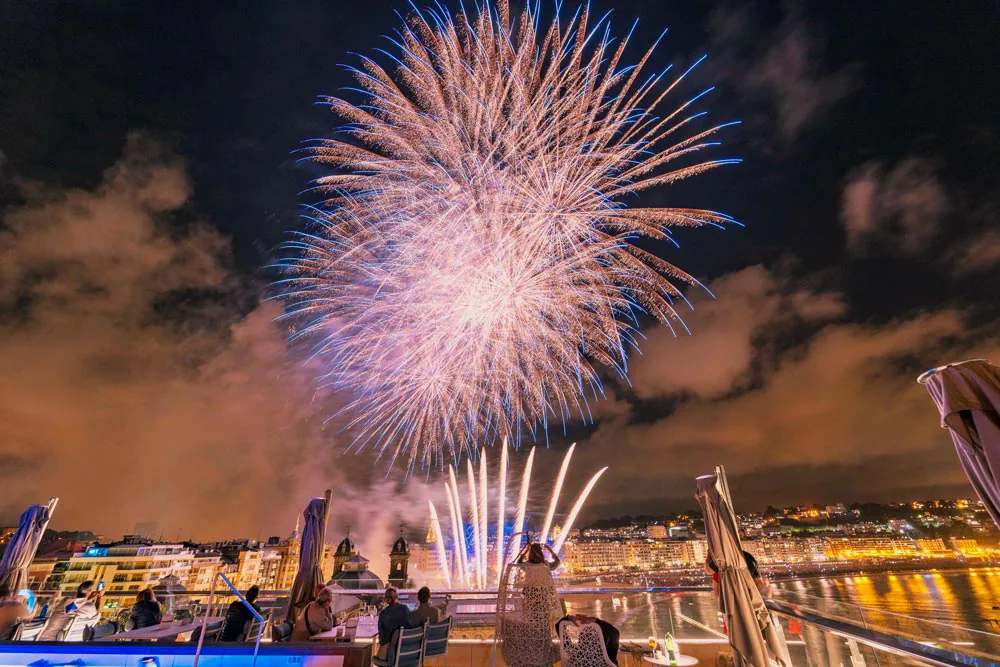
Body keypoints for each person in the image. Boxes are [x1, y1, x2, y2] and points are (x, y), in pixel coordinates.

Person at [37, 581, 102, 641]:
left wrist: (88, 597)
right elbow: (96, 612)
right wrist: (99, 597)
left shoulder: (66, 600)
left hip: (43, 636)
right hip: (62, 641)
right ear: (90, 591)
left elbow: (77, 603)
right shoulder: (89, 607)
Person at [556, 614, 620, 666]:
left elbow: (558, 626)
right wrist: (597, 621)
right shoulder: (607, 657)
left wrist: (568, 618)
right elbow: (614, 633)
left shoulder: (575, 655)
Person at [376, 587, 411, 659]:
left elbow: (381, 637)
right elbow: (409, 625)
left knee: (377, 656)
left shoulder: (383, 613)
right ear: (396, 597)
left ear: (386, 599)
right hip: (406, 649)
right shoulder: (405, 608)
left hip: (390, 653)